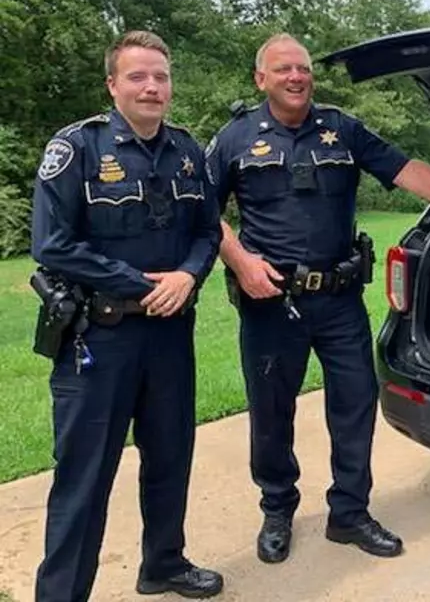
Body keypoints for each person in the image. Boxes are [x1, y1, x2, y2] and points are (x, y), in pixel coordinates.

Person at [204, 33, 430, 565]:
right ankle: (277, 508)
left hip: (341, 299)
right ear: (261, 79)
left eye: (302, 67)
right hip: (271, 301)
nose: (297, 77)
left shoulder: (342, 129)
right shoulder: (234, 138)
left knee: (354, 404)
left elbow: (408, 171)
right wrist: (241, 261)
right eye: (283, 69)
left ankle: (349, 513)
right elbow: (201, 211)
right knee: (272, 411)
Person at [30, 31, 225, 600]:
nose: (152, 87)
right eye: (138, 76)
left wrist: (189, 275)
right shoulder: (78, 148)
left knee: (170, 457)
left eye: (161, 77)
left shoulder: (188, 150)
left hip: (168, 337)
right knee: (84, 479)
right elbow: (53, 245)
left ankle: (163, 564)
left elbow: (207, 230)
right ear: (113, 84)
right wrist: (140, 286)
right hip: (99, 338)